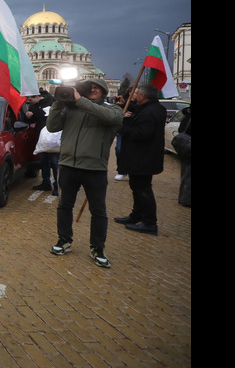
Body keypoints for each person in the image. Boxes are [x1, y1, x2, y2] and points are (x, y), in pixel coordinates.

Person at [46, 78, 123, 268]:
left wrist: (80, 100)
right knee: (65, 205)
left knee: (98, 210)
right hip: (68, 165)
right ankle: (64, 240)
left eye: (97, 87)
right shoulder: (71, 109)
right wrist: (57, 104)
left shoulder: (113, 110)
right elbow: (52, 127)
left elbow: (107, 117)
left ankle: (97, 248)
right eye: (90, 87)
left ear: (105, 91)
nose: (93, 89)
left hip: (94, 168)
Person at [113, 84, 167, 235]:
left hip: (143, 158)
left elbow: (142, 133)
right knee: (136, 187)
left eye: (137, 94)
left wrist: (121, 128)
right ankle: (136, 216)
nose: (135, 96)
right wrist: (126, 104)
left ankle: (149, 222)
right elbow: (140, 111)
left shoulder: (150, 111)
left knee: (143, 190)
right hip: (142, 158)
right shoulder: (154, 108)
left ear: (143, 96)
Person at [26, 94, 58, 195]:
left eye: (30, 99)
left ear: (37, 97)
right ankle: (46, 183)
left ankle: (57, 186)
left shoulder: (52, 102)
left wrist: (35, 112)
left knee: (55, 162)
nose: (29, 101)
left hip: (53, 139)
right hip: (41, 139)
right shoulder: (33, 106)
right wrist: (29, 116)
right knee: (44, 162)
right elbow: (33, 121)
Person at [175, 106, 191, 207]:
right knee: (188, 175)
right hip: (188, 148)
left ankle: (183, 198)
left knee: (185, 175)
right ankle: (186, 200)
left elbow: (181, 129)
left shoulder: (187, 115)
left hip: (184, 148)